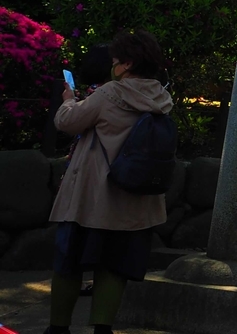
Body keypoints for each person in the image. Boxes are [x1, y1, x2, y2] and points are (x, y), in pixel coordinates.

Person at [46, 30, 173, 334]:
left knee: (68, 263)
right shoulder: (162, 98)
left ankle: (58, 328)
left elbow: (68, 122)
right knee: (114, 268)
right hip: (134, 201)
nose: (113, 65)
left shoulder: (109, 93)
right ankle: (103, 329)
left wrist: (68, 100)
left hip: (91, 200)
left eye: (116, 60)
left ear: (127, 64)